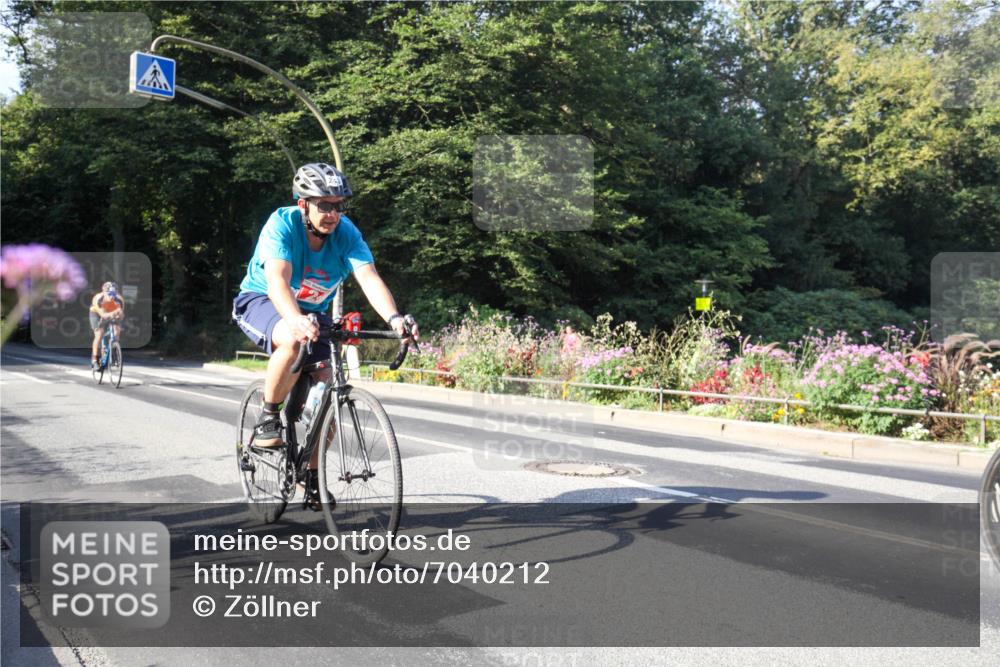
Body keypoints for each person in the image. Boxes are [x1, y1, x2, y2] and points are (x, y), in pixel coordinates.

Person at [232, 162, 419, 462]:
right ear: (303, 204)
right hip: (261, 299)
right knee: (292, 341)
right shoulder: (281, 224)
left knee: (332, 390)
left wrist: (395, 319)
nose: (332, 214)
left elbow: (369, 277)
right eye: (324, 206)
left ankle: (310, 472)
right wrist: (293, 320)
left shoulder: (347, 234)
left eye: (338, 205)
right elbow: (277, 282)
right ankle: (268, 417)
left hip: (311, 312)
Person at [89, 281, 124, 369]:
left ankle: (114, 351)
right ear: (104, 292)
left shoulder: (119, 299)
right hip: (96, 314)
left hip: (111, 312)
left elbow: (121, 315)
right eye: (109, 294)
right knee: (99, 333)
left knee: (117, 330)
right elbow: (103, 315)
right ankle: (95, 360)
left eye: (113, 294)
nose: (111, 296)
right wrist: (115, 312)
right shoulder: (98, 299)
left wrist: (119, 316)